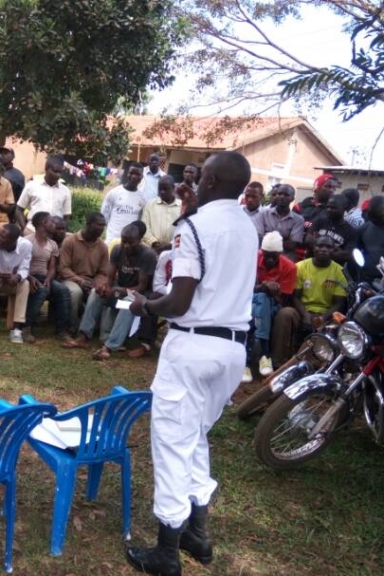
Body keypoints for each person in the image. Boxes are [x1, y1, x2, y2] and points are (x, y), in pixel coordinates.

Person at [124, 151, 257, 574]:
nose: (192, 181)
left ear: (213, 179)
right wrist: (190, 209)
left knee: (171, 444)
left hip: (193, 348)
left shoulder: (194, 228)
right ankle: (197, 533)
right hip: (233, 350)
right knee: (195, 435)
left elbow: (179, 303)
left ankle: (166, 550)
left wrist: (145, 306)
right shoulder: (247, 226)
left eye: (199, 177)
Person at [65, 222, 157, 359]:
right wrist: (105, 287)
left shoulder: (147, 255)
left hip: (138, 297)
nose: (126, 246)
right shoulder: (118, 250)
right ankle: (84, 336)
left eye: (130, 243)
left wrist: (118, 291)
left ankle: (109, 347)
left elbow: (141, 287)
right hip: (119, 291)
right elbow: (110, 277)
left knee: (128, 304)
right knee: (95, 294)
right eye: (124, 241)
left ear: (139, 240)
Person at [269, 236, 348, 367]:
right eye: (320, 246)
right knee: (285, 314)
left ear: (334, 250)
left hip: (326, 314)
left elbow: (339, 303)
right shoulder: (300, 267)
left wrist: (322, 318)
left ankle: (322, 366)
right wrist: (306, 316)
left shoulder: (340, 272)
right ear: (313, 248)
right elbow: (295, 297)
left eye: (328, 247)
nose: (323, 250)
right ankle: (278, 361)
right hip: (302, 311)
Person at [251, 231, 296, 377]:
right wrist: (263, 286)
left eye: (273, 256)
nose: (269, 259)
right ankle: (264, 353)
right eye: (266, 255)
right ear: (262, 251)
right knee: (261, 297)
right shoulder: (253, 258)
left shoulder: (289, 267)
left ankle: (259, 352)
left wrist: (270, 291)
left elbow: (285, 298)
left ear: (280, 253)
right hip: (251, 300)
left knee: (264, 299)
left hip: (275, 305)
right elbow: (243, 287)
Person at [24, 212, 72, 342]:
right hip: (27, 276)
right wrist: (29, 277)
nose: (54, 224)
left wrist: (49, 278)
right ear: (43, 224)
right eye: (51, 222)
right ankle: (26, 327)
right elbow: (19, 265)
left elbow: (52, 267)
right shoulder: (27, 241)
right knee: (42, 290)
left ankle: (62, 330)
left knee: (62, 290)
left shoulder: (52, 244)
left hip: (44, 277)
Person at [58, 211, 109, 329]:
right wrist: (80, 281)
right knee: (76, 292)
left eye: (103, 225)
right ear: (88, 224)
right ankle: (72, 326)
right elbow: (63, 268)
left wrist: (97, 283)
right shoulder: (70, 241)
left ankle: (88, 327)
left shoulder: (103, 247)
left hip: (91, 281)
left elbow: (103, 272)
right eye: (99, 225)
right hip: (70, 279)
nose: (102, 228)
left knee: (97, 292)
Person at [14, 155, 71, 230]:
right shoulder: (31, 185)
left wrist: (61, 232)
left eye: (60, 172)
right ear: (46, 169)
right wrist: (24, 230)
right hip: (32, 230)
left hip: (54, 234)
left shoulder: (65, 190)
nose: (58, 175)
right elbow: (19, 209)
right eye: (55, 171)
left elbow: (66, 216)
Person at [255, 183, 305, 261]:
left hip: (285, 260)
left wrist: (268, 236)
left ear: (292, 198)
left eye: (286, 195)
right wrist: (284, 239)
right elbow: (259, 238)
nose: (282, 197)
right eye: (279, 194)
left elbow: (292, 245)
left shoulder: (298, 220)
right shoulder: (263, 213)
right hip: (262, 258)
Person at [304, 194, 357, 265]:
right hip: (311, 264)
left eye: (333, 208)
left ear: (344, 208)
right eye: (328, 207)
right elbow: (308, 240)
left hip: (333, 269)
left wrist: (318, 246)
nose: (329, 210)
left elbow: (347, 254)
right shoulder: (320, 221)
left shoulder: (350, 231)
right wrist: (333, 249)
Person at [102, 164, 147, 243]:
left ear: (142, 177)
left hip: (130, 244)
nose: (134, 176)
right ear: (127, 174)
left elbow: (140, 221)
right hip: (111, 241)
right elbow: (104, 216)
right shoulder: (114, 193)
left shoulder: (142, 199)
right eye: (131, 173)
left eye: (137, 174)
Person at [141, 175, 182, 253]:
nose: (162, 192)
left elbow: (183, 230)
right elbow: (145, 226)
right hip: (152, 250)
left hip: (173, 251)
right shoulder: (150, 204)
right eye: (160, 189)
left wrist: (170, 244)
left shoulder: (182, 206)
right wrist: (154, 243)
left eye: (166, 189)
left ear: (173, 188)